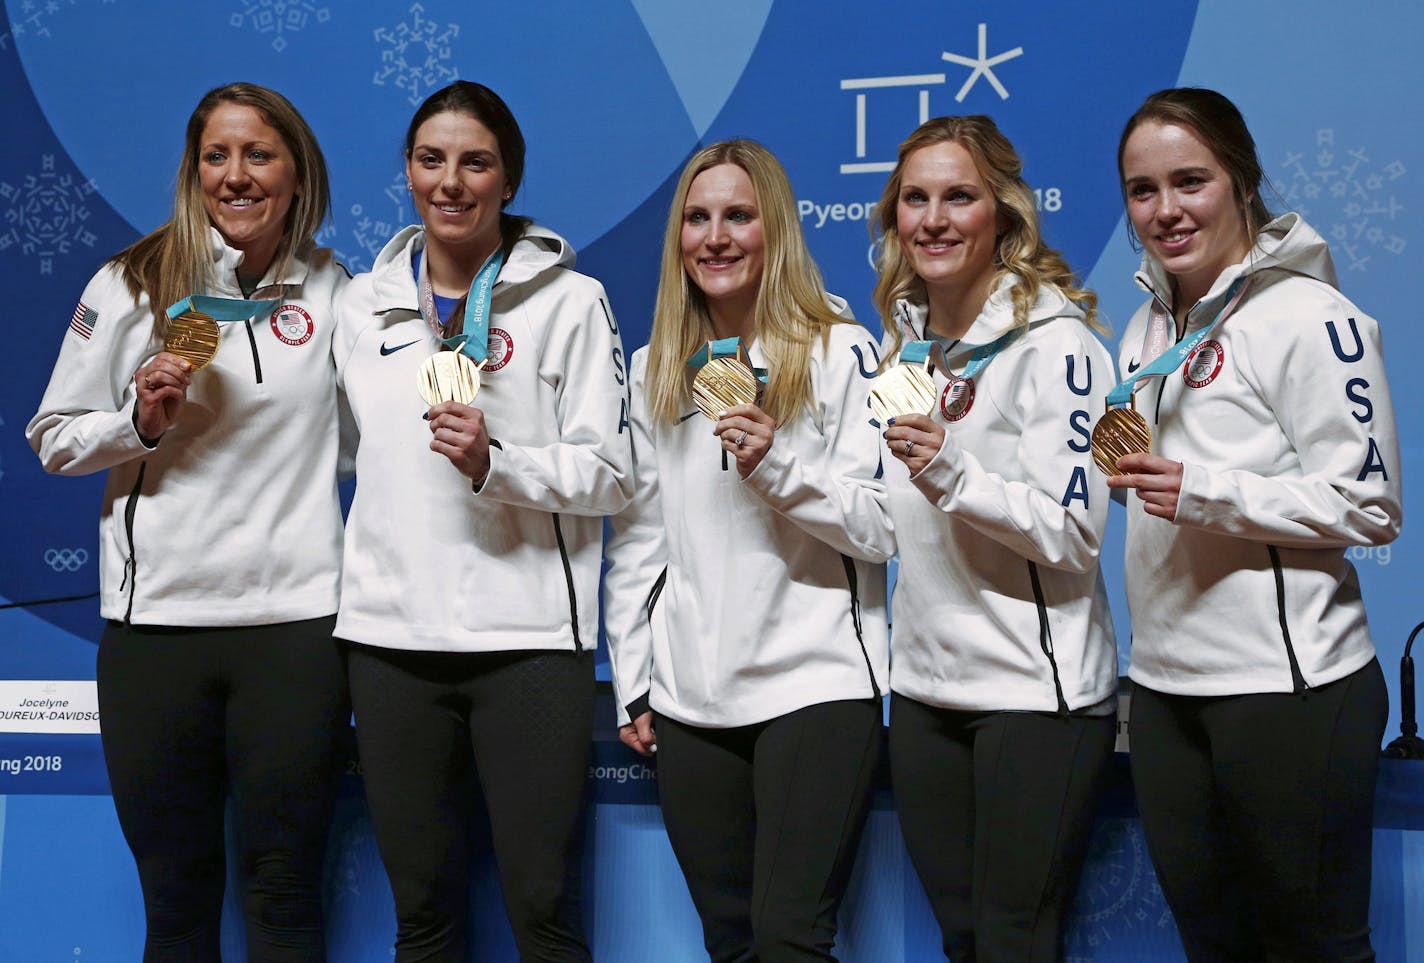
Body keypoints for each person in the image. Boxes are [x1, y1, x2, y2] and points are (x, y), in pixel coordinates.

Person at [26, 84, 349, 960]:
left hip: (296, 633)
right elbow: (52, 437)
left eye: (259, 154)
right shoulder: (131, 281)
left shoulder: (335, 293)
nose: (236, 176)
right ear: (193, 170)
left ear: (296, 172)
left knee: (285, 896)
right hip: (157, 631)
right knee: (175, 904)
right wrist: (137, 423)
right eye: (217, 156)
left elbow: (371, 442)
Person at [332, 80, 630, 961]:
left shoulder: (572, 301)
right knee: (421, 913)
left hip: (528, 641)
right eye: (431, 160)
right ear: (408, 174)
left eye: (476, 162)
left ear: (509, 179)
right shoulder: (364, 305)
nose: (450, 181)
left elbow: (611, 473)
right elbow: (348, 453)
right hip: (391, 643)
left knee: (541, 908)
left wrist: (498, 464)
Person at [1109, 87, 1402, 961]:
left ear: (1240, 180)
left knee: (1316, 948)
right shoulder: (1145, 324)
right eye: (1142, 189)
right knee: (1214, 947)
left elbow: (1370, 504)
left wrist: (1201, 488)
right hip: (1163, 692)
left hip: (1289, 692)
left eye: (1189, 180)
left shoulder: (1310, 316)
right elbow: (1160, 491)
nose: (1165, 210)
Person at [604, 139, 892, 962]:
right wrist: (636, 680)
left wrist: (777, 465)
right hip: (693, 698)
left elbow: (882, 526)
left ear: (777, 231)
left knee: (789, 938)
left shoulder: (839, 349)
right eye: (697, 218)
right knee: (730, 942)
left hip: (816, 684)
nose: (715, 236)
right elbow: (639, 543)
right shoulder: (656, 367)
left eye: (738, 215)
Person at [872, 115, 1118, 961]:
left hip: (1034, 696)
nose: (934, 219)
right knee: (965, 939)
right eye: (916, 199)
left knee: (1015, 940)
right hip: (927, 693)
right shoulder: (901, 347)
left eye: (959, 197)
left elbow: (1075, 532)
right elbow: (885, 515)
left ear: (1005, 216)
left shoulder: (1064, 348)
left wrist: (952, 473)